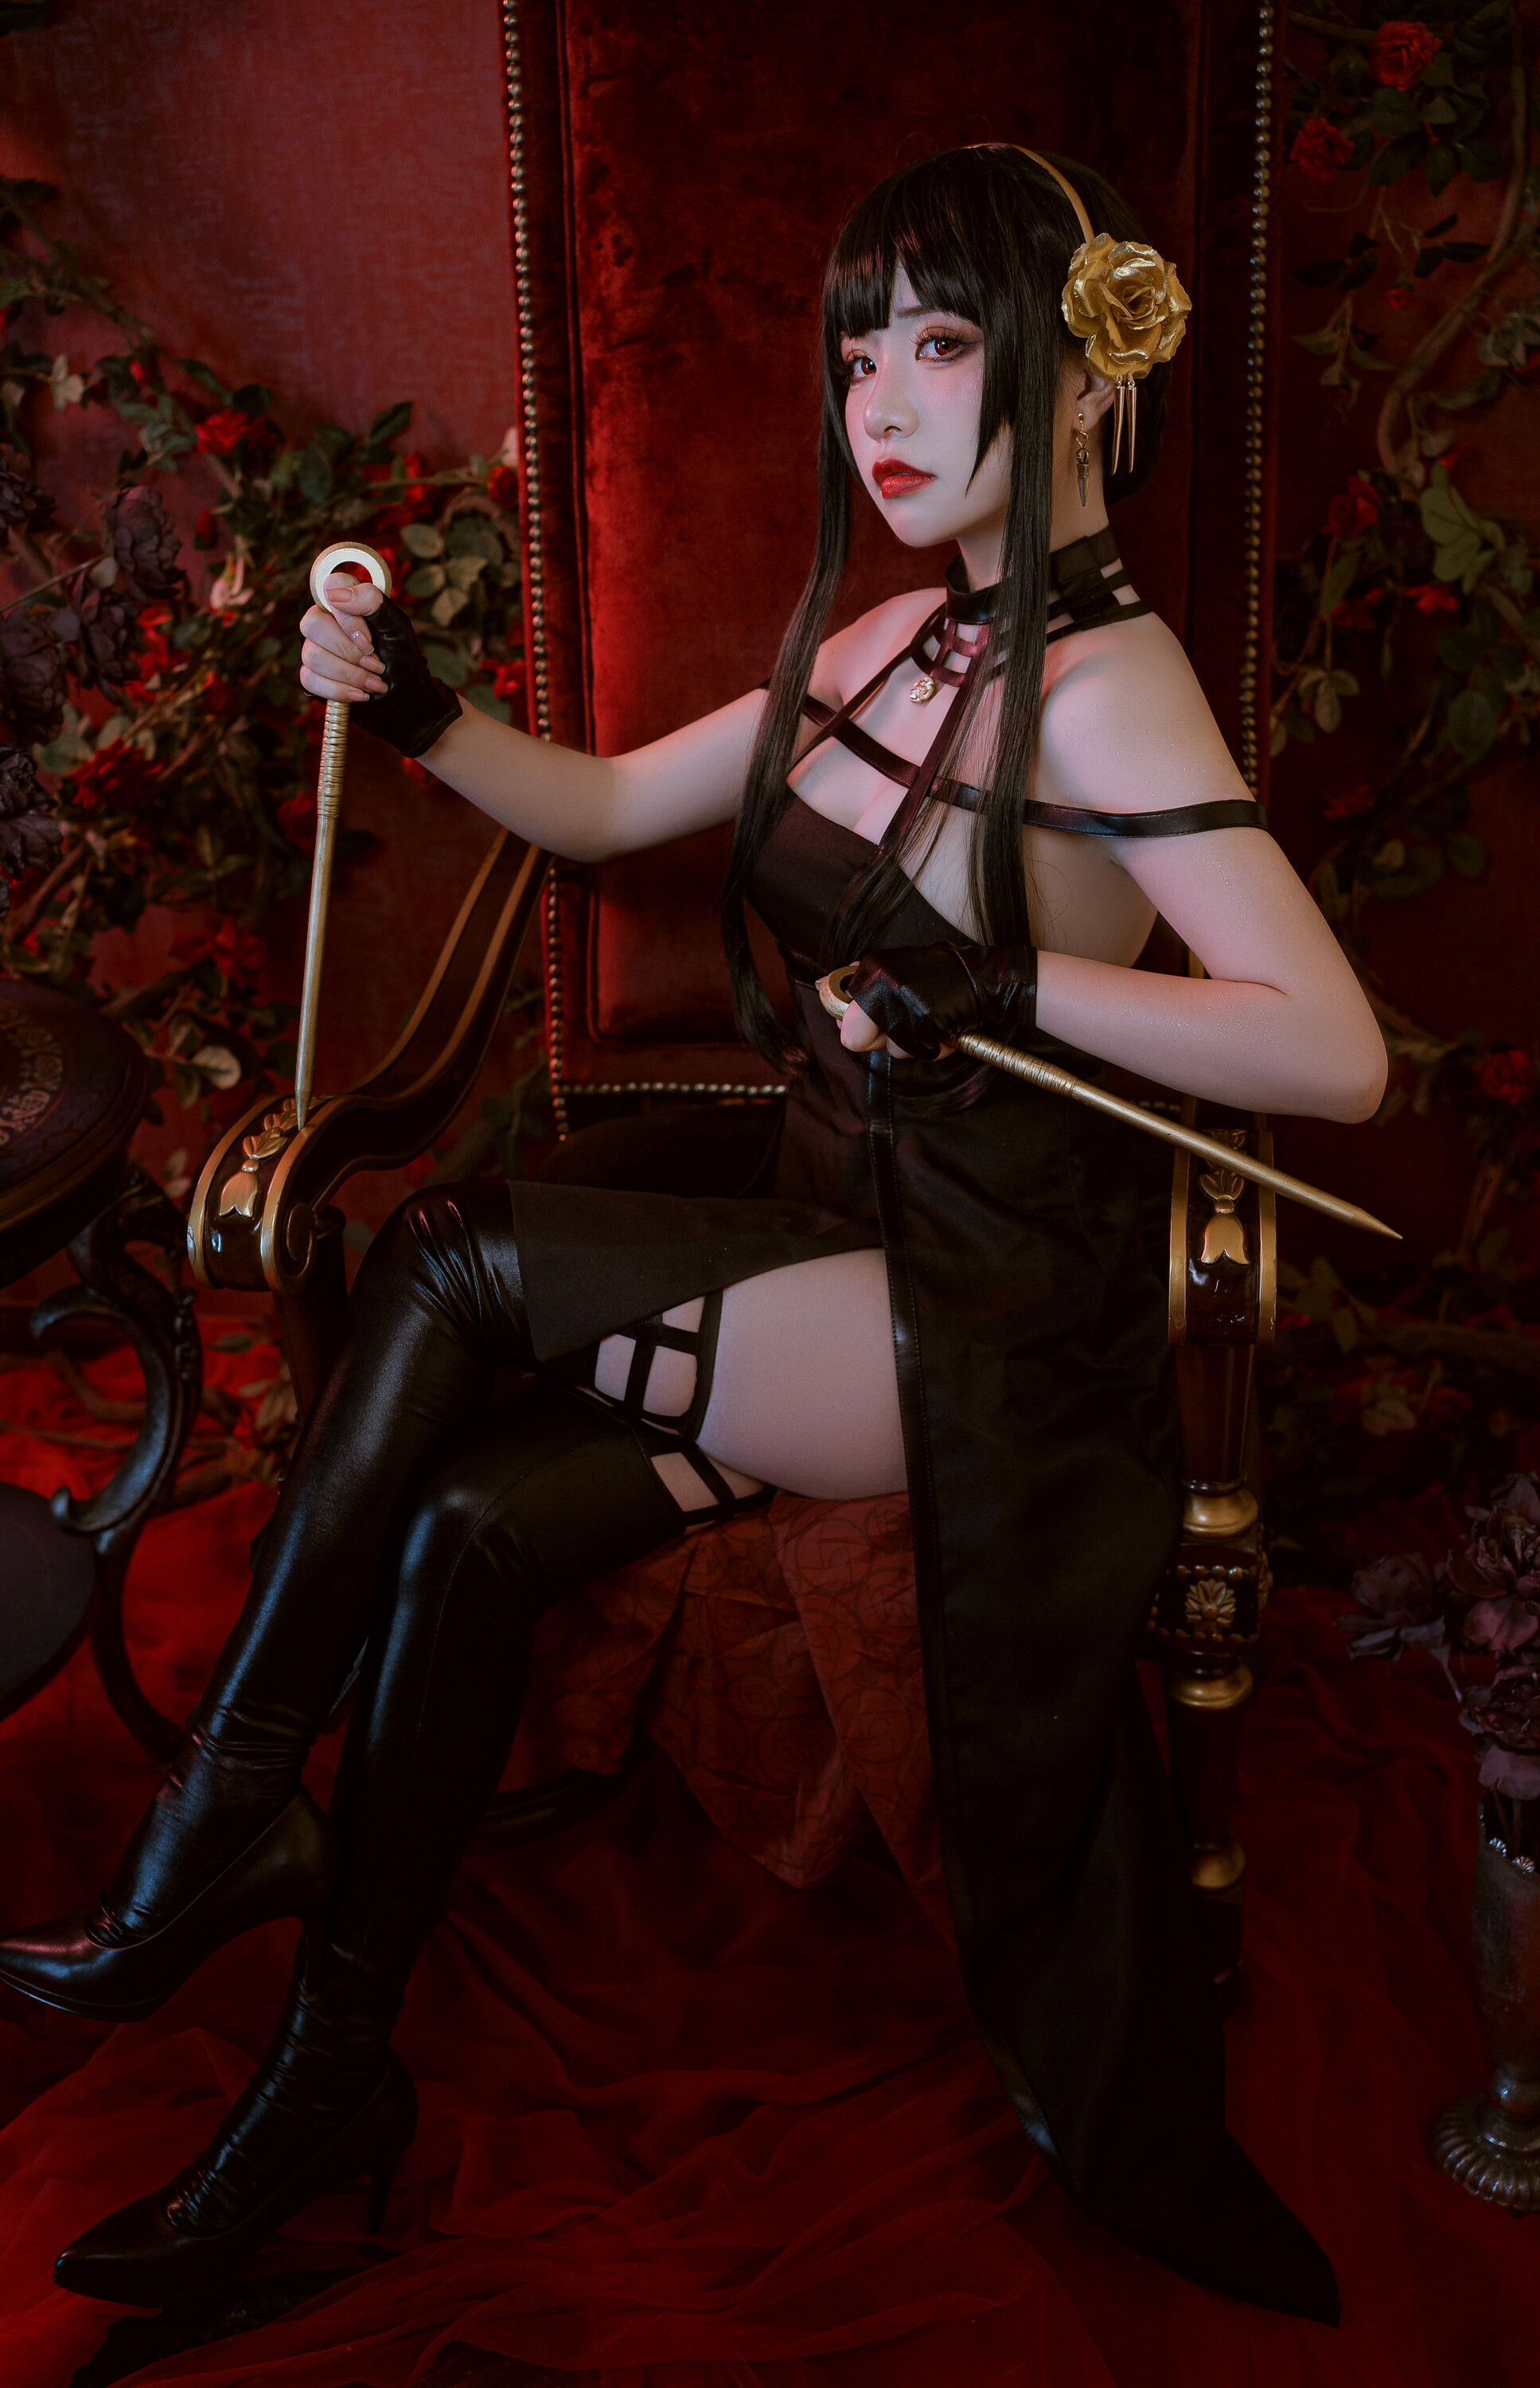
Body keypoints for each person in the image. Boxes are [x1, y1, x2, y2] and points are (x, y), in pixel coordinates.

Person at [0, 145, 1382, 2320]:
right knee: (470, 1534)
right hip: (835, 1225)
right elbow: (610, 805)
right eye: (858, 355)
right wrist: (418, 702)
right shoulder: (893, 638)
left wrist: (1006, 982)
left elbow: (1333, 1051)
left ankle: (218, 1819)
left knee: (455, 1257)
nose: (881, 406)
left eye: (942, 344)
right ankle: (325, 2081)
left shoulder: (1112, 690)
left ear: (1080, 365)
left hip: (981, 1319)